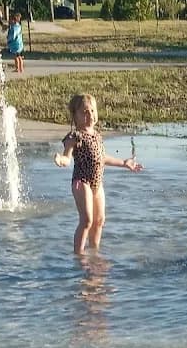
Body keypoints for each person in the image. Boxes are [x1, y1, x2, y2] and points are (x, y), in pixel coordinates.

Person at [53, 93, 143, 255]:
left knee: (99, 220)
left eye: (93, 111)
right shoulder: (75, 136)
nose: (90, 115)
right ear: (75, 116)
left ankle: (94, 250)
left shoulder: (97, 135)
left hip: (97, 183)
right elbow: (67, 156)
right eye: (85, 112)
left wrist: (124, 163)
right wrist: (61, 160)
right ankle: (78, 255)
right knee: (87, 220)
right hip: (82, 182)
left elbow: (102, 158)